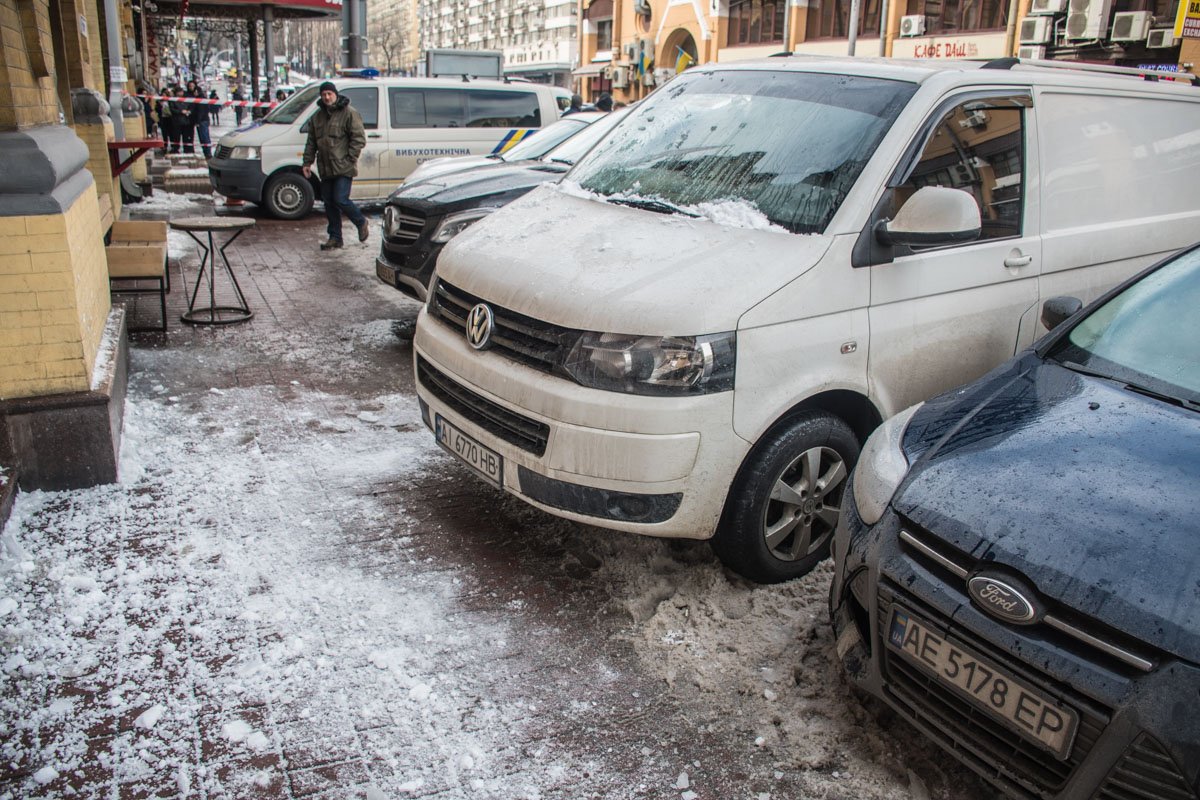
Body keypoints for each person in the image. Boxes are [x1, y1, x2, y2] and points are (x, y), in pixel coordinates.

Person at [302, 82, 369, 250]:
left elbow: (359, 139)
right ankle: (335, 237)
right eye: (323, 94)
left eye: (329, 94)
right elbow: (311, 142)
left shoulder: (349, 113)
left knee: (340, 199)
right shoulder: (317, 117)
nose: (326, 97)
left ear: (335, 94)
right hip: (326, 168)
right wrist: (307, 162)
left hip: (343, 167)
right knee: (329, 202)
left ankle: (361, 221)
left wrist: (349, 159)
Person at [188, 82, 213, 158]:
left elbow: (200, 112)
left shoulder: (200, 99)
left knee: (204, 137)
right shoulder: (200, 98)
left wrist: (198, 121)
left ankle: (207, 153)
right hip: (203, 120)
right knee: (203, 137)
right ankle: (207, 152)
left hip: (202, 121)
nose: (194, 93)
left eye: (195, 91)